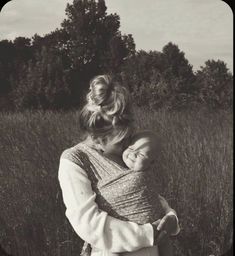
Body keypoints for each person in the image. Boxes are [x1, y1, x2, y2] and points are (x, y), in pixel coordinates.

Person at [58, 75, 179, 256]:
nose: (127, 144)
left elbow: (146, 194)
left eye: (129, 136)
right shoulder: (75, 160)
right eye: (120, 141)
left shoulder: (130, 151)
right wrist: (149, 234)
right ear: (97, 138)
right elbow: (88, 224)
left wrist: (170, 217)